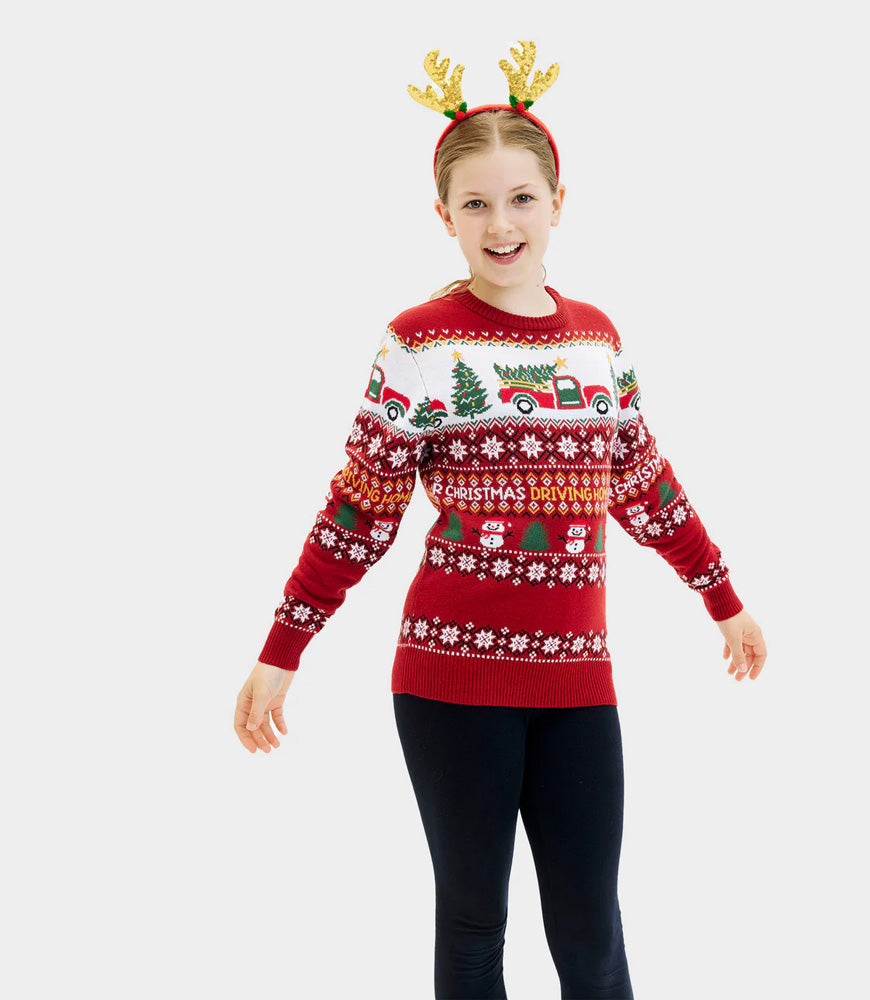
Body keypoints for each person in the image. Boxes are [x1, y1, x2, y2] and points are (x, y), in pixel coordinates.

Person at [234, 41, 768, 999]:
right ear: (443, 215)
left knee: (591, 930)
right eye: (475, 204)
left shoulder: (597, 340)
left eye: (522, 198)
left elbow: (643, 481)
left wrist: (720, 595)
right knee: (475, 923)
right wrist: (284, 648)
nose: (501, 222)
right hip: (450, 681)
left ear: (559, 202)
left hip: (576, 681)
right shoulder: (419, 344)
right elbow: (359, 510)